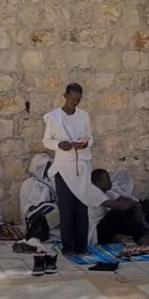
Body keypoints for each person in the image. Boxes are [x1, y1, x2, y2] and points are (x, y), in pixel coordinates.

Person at [42, 83, 95, 256]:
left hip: (82, 165)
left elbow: (91, 138)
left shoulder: (84, 116)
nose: (75, 102)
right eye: (72, 99)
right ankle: (68, 246)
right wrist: (59, 145)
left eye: (78, 100)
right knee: (67, 208)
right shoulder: (54, 117)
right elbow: (46, 141)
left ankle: (82, 246)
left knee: (82, 207)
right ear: (65, 96)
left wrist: (85, 143)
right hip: (63, 168)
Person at [89, 169, 149, 245]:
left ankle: (138, 236)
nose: (110, 182)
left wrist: (135, 205)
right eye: (107, 180)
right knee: (118, 214)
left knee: (129, 210)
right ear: (98, 182)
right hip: (95, 232)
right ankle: (139, 238)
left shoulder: (107, 191)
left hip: (104, 227)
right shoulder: (93, 192)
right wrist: (133, 204)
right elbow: (117, 206)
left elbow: (123, 199)